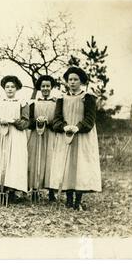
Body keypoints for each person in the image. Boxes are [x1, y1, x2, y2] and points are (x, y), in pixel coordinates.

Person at [49, 67, 102, 210]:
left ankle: (78, 199)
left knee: (80, 167)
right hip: (65, 136)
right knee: (65, 166)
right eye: (70, 79)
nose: (72, 82)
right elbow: (56, 120)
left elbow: (90, 119)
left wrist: (78, 127)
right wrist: (64, 127)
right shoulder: (61, 98)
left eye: (75, 79)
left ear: (82, 81)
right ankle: (68, 198)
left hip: (82, 136)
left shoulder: (88, 97)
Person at [0, 75, 29, 201]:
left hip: (16, 135)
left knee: (15, 160)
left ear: (17, 89)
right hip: (0, 135)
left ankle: (14, 189)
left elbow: (25, 122)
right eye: (7, 87)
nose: (10, 89)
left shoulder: (22, 103)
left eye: (12, 87)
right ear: (4, 89)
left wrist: (14, 121)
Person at [27, 75, 58, 202]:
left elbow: (58, 121)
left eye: (48, 86)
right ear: (39, 87)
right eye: (43, 86)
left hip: (50, 134)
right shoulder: (33, 102)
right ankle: (34, 190)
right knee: (35, 160)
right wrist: (37, 122)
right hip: (36, 135)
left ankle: (51, 191)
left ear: (51, 87)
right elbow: (28, 121)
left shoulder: (56, 102)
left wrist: (48, 122)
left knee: (50, 160)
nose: (45, 88)